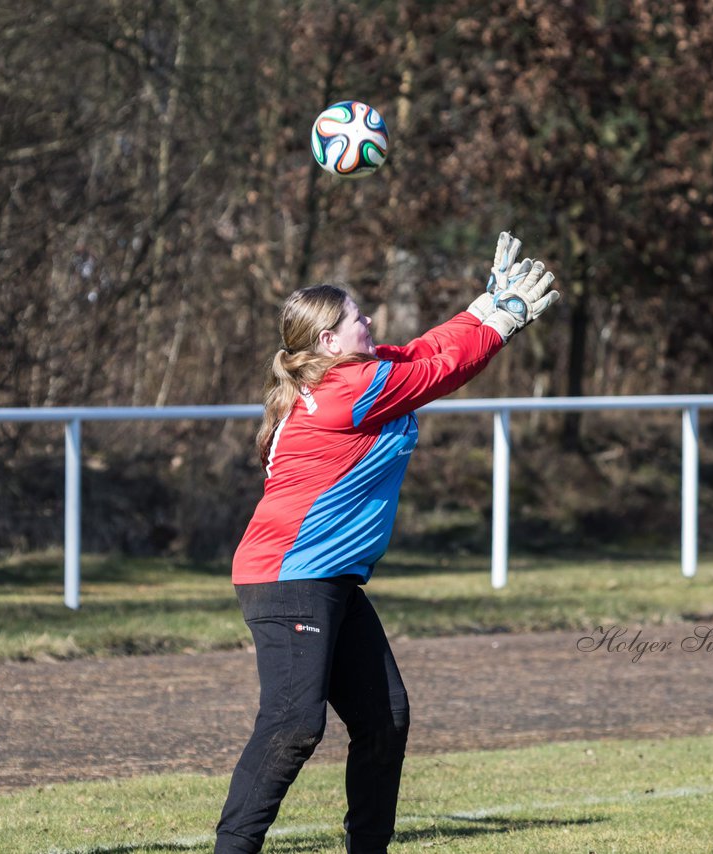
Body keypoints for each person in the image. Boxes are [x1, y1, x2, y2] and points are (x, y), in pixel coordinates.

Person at [215, 233, 559, 854]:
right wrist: (504, 319)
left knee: (384, 719)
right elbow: (440, 369)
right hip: (290, 578)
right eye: (355, 318)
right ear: (327, 343)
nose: (368, 321)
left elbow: (425, 350)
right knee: (294, 723)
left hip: (329, 578)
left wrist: (483, 309)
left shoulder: (357, 376)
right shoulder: (349, 391)